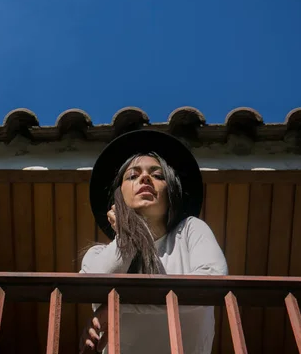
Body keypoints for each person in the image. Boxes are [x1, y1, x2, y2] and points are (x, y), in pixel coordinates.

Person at [79, 130, 228, 354]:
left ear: (172, 194)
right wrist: (128, 235)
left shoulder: (189, 231)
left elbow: (213, 282)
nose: (145, 178)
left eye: (158, 175)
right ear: (119, 197)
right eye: (132, 176)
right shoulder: (97, 255)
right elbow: (96, 287)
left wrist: (119, 306)